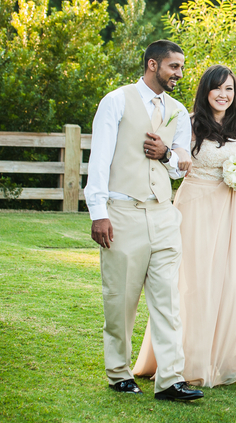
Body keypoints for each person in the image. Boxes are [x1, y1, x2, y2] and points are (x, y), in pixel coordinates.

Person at [133, 65, 236, 386]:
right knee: (193, 284)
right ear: (205, 91)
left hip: (230, 210)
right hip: (196, 208)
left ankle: (220, 363)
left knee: (226, 282)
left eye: (229, 89)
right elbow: (174, 163)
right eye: (217, 88)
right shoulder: (192, 124)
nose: (224, 95)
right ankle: (184, 362)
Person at [84, 39, 203, 400]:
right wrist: (99, 213)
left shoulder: (179, 111)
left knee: (168, 299)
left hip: (165, 215)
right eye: (174, 67)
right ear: (153, 64)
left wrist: (167, 153)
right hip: (123, 213)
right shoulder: (116, 101)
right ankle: (119, 372)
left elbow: (180, 168)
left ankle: (170, 379)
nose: (179, 74)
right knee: (120, 299)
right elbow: (100, 159)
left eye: (181, 67)